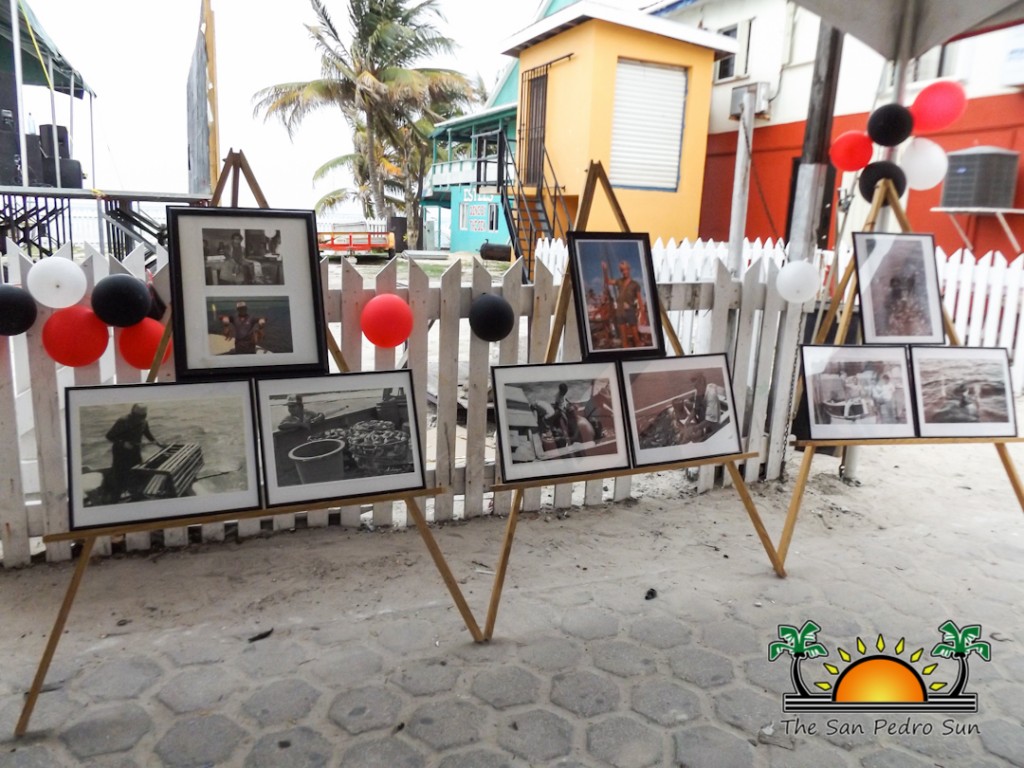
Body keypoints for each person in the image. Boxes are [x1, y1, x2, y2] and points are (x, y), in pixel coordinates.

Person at [104, 404, 162, 502]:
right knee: (119, 474)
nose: (140, 418)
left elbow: (147, 433)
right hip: (121, 452)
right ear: (133, 413)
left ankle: (136, 495)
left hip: (135, 451)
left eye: (143, 416)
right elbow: (109, 436)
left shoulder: (143, 421)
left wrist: (157, 443)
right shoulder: (123, 421)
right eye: (138, 416)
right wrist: (123, 443)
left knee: (136, 471)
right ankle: (115, 499)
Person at [603, 259, 647, 348]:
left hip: (630, 310)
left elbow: (640, 300)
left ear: (629, 270)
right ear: (621, 271)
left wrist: (643, 315)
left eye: (626, 269)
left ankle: (639, 351)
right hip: (620, 311)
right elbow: (607, 282)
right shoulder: (619, 281)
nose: (624, 272)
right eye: (622, 270)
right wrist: (605, 270)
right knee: (623, 338)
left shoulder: (635, 284)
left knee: (636, 337)